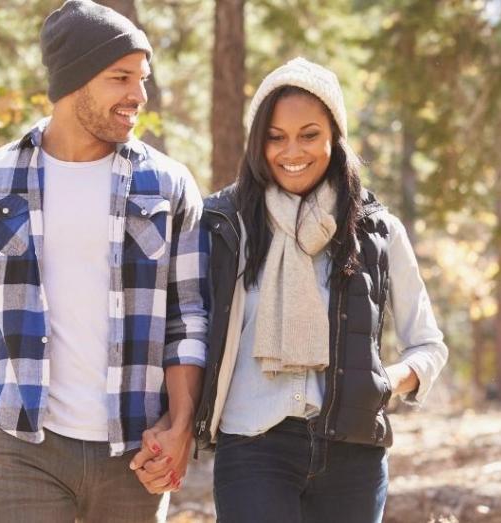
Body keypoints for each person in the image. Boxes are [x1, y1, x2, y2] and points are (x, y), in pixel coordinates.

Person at [0, 1, 208, 521]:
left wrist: (180, 424)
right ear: (73, 82)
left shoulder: (167, 185)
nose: (138, 96)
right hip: (25, 446)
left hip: (136, 447)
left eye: (142, 79)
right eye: (120, 78)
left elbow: (188, 318)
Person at [191, 57, 449, 522]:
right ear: (257, 142)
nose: (292, 150)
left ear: (335, 136)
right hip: (253, 447)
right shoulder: (224, 225)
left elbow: (428, 344)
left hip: (353, 454)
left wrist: (390, 381)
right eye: (276, 136)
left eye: (309, 134)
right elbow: (188, 329)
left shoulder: (377, 231)